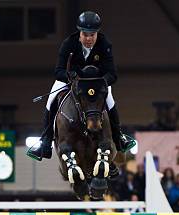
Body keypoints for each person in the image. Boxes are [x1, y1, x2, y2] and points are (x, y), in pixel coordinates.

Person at [27, 11, 135, 161]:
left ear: (97, 33)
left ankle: (119, 138)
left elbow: (112, 74)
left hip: (97, 83)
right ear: (80, 32)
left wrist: (102, 81)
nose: (89, 38)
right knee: (50, 101)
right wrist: (70, 76)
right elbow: (58, 71)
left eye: (92, 34)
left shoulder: (104, 44)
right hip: (73, 81)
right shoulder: (68, 43)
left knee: (110, 102)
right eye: (85, 34)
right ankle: (45, 143)